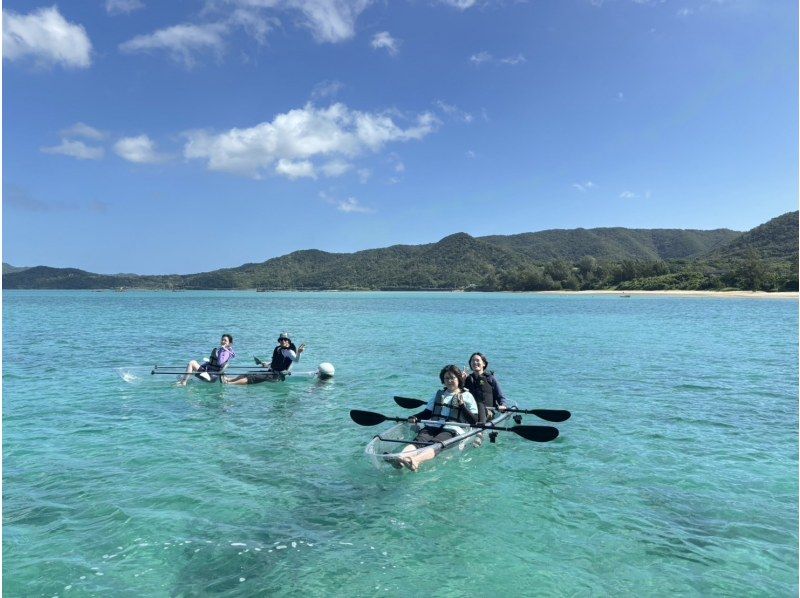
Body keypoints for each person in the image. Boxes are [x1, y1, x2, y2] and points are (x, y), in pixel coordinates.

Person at [395, 365, 479, 472]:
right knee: (418, 441)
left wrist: (462, 406)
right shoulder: (438, 394)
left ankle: (415, 461)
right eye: (446, 378)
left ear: (459, 379)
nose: (449, 381)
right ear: (443, 380)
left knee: (436, 444)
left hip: (453, 428)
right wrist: (415, 417)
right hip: (433, 425)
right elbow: (427, 413)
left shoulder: (467, 396)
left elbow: (474, 421)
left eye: (452, 378)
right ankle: (401, 457)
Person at [223, 332, 305, 385]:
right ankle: (229, 379)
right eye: (281, 340)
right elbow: (275, 362)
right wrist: (267, 364)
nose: (283, 341)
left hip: (276, 376)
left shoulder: (289, 352)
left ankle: (229, 384)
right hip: (270, 371)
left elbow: (296, 360)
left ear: (288, 341)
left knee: (251, 378)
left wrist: (299, 353)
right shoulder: (278, 349)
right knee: (248, 373)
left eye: (285, 339)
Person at [463, 352, 508, 423]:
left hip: (488, 411)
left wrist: (503, 405)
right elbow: (457, 392)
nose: (475, 362)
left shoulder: (490, 378)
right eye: (472, 361)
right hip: (471, 411)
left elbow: (500, 396)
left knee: (480, 409)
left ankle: (479, 429)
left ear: (484, 363)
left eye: (477, 360)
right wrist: (461, 381)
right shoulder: (467, 379)